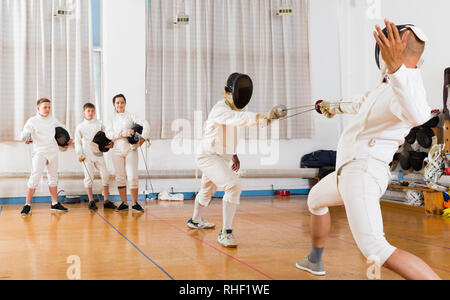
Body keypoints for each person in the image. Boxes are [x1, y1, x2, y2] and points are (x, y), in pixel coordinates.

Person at [295, 20, 441, 280]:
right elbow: (359, 102)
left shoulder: (408, 85)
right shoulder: (387, 87)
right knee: (315, 199)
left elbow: (418, 112)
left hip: (363, 172)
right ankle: (314, 260)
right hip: (346, 173)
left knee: (375, 249)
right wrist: (331, 106)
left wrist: (396, 69)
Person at [187, 73, 281, 248]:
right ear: (229, 92)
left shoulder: (236, 110)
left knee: (207, 191)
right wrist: (264, 117)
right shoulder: (220, 109)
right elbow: (238, 119)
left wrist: (233, 154)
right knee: (234, 185)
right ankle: (226, 232)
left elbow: (231, 131)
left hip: (220, 157)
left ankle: (195, 220)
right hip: (208, 156)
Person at [20, 98, 72, 216]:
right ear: (38, 108)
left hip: (53, 152)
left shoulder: (53, 120)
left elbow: (64, 129)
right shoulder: (32, 121)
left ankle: (54, 204)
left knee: (53, 177)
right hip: (40, 152)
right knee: (35, 177)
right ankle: (27, 205)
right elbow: (25, 132)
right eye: (45, 107)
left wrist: (70, 139)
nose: (47, 109)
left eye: (49, 107)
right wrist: (26, 137)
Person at [105, 94, 150, 212]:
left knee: (132, 176)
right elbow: (108, 134)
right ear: (114, 105)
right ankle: (124, 203)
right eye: (117, 103)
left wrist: (143, 138)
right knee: (120, 177)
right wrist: (121, 133)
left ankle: (135, 203)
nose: (120, 105)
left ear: (125, 103)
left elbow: (145, 124)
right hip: (116, 150)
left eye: (122, 102)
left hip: (131, 149)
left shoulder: (131, 116)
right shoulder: (111, 119)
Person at [75, 103, 117, 211]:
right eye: (88, 111)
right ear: (84, 112)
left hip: (98, 154)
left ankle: (106, 201)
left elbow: (108, 134)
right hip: (87, 156)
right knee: (89, 178)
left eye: (92, 111)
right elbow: (78, 142)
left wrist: (111, 142)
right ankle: (91, 201)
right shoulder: (80, 126)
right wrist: (80, 154)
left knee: (106, 175)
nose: (90, 113)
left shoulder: (99, 124)